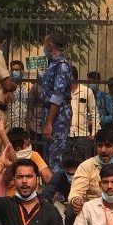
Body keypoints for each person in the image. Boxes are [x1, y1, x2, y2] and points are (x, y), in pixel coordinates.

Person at [41, 33, 73, 174]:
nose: (44, 47)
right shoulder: (52, 64)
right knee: (48, 154)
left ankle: (58, 193)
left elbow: (57, 96)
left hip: (58, 115)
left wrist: (49, 123)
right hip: (51, 112)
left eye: (45, 44)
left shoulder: (62, 66)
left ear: (51, 46)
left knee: (56, 155)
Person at [70, 67, 98, 158]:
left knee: (84, 162)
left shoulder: (86, 91)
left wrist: (94, 132)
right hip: (66, 133)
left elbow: (94, 112)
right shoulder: (63, 92)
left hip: (82, 134)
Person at [7, 60, 29, 130]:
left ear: (22, 72)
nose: (14, 72)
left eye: (16, 70)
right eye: (12, 70)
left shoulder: (27, 88)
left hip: (23, 124)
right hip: (10, 123)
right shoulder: (7, 88)